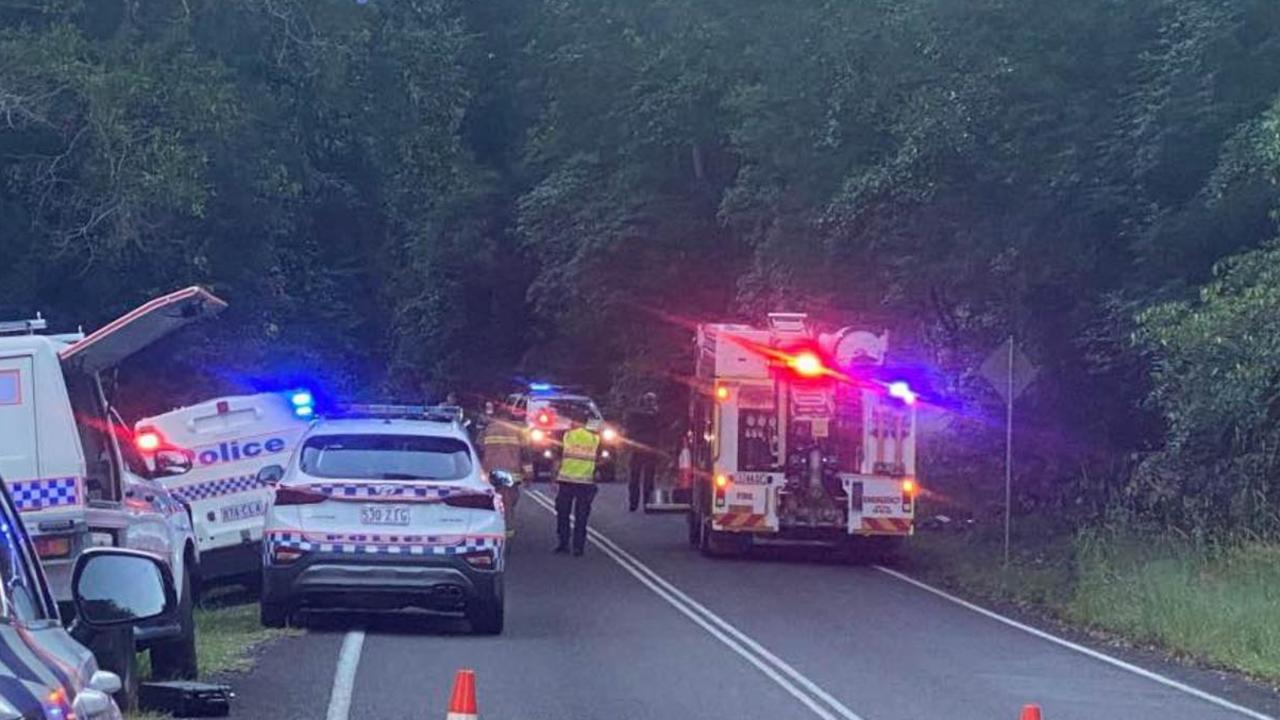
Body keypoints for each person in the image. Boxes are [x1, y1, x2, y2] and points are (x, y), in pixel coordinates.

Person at [553, 410, 600, 556]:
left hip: (566, 481)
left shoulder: (566, 436)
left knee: (563, 513)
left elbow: (557, 459)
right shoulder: (594, 438)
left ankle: (563, 543)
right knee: (581, 515)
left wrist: (553, 478)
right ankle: (579, 547)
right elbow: (601, 459)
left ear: (575, 422)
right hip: (586, 482)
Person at [478, 403, 523, 538]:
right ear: (509, 416)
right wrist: (529, 473)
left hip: (491, 473)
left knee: (491, 502)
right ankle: (507, 532)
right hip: (511, 474)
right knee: (508, 503)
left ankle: (490, 530)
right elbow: (526, 452)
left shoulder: (488, 430)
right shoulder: (517, 430)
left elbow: (479, 448)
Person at [626, 391, 661, 512]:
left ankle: (633, 503)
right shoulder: (655, 416)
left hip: (638, 448)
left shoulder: (635, 414)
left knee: (635, 477)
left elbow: (629, 428)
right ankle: (647, 504)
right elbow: (661, 428)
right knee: (648, 479)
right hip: (650, 449)